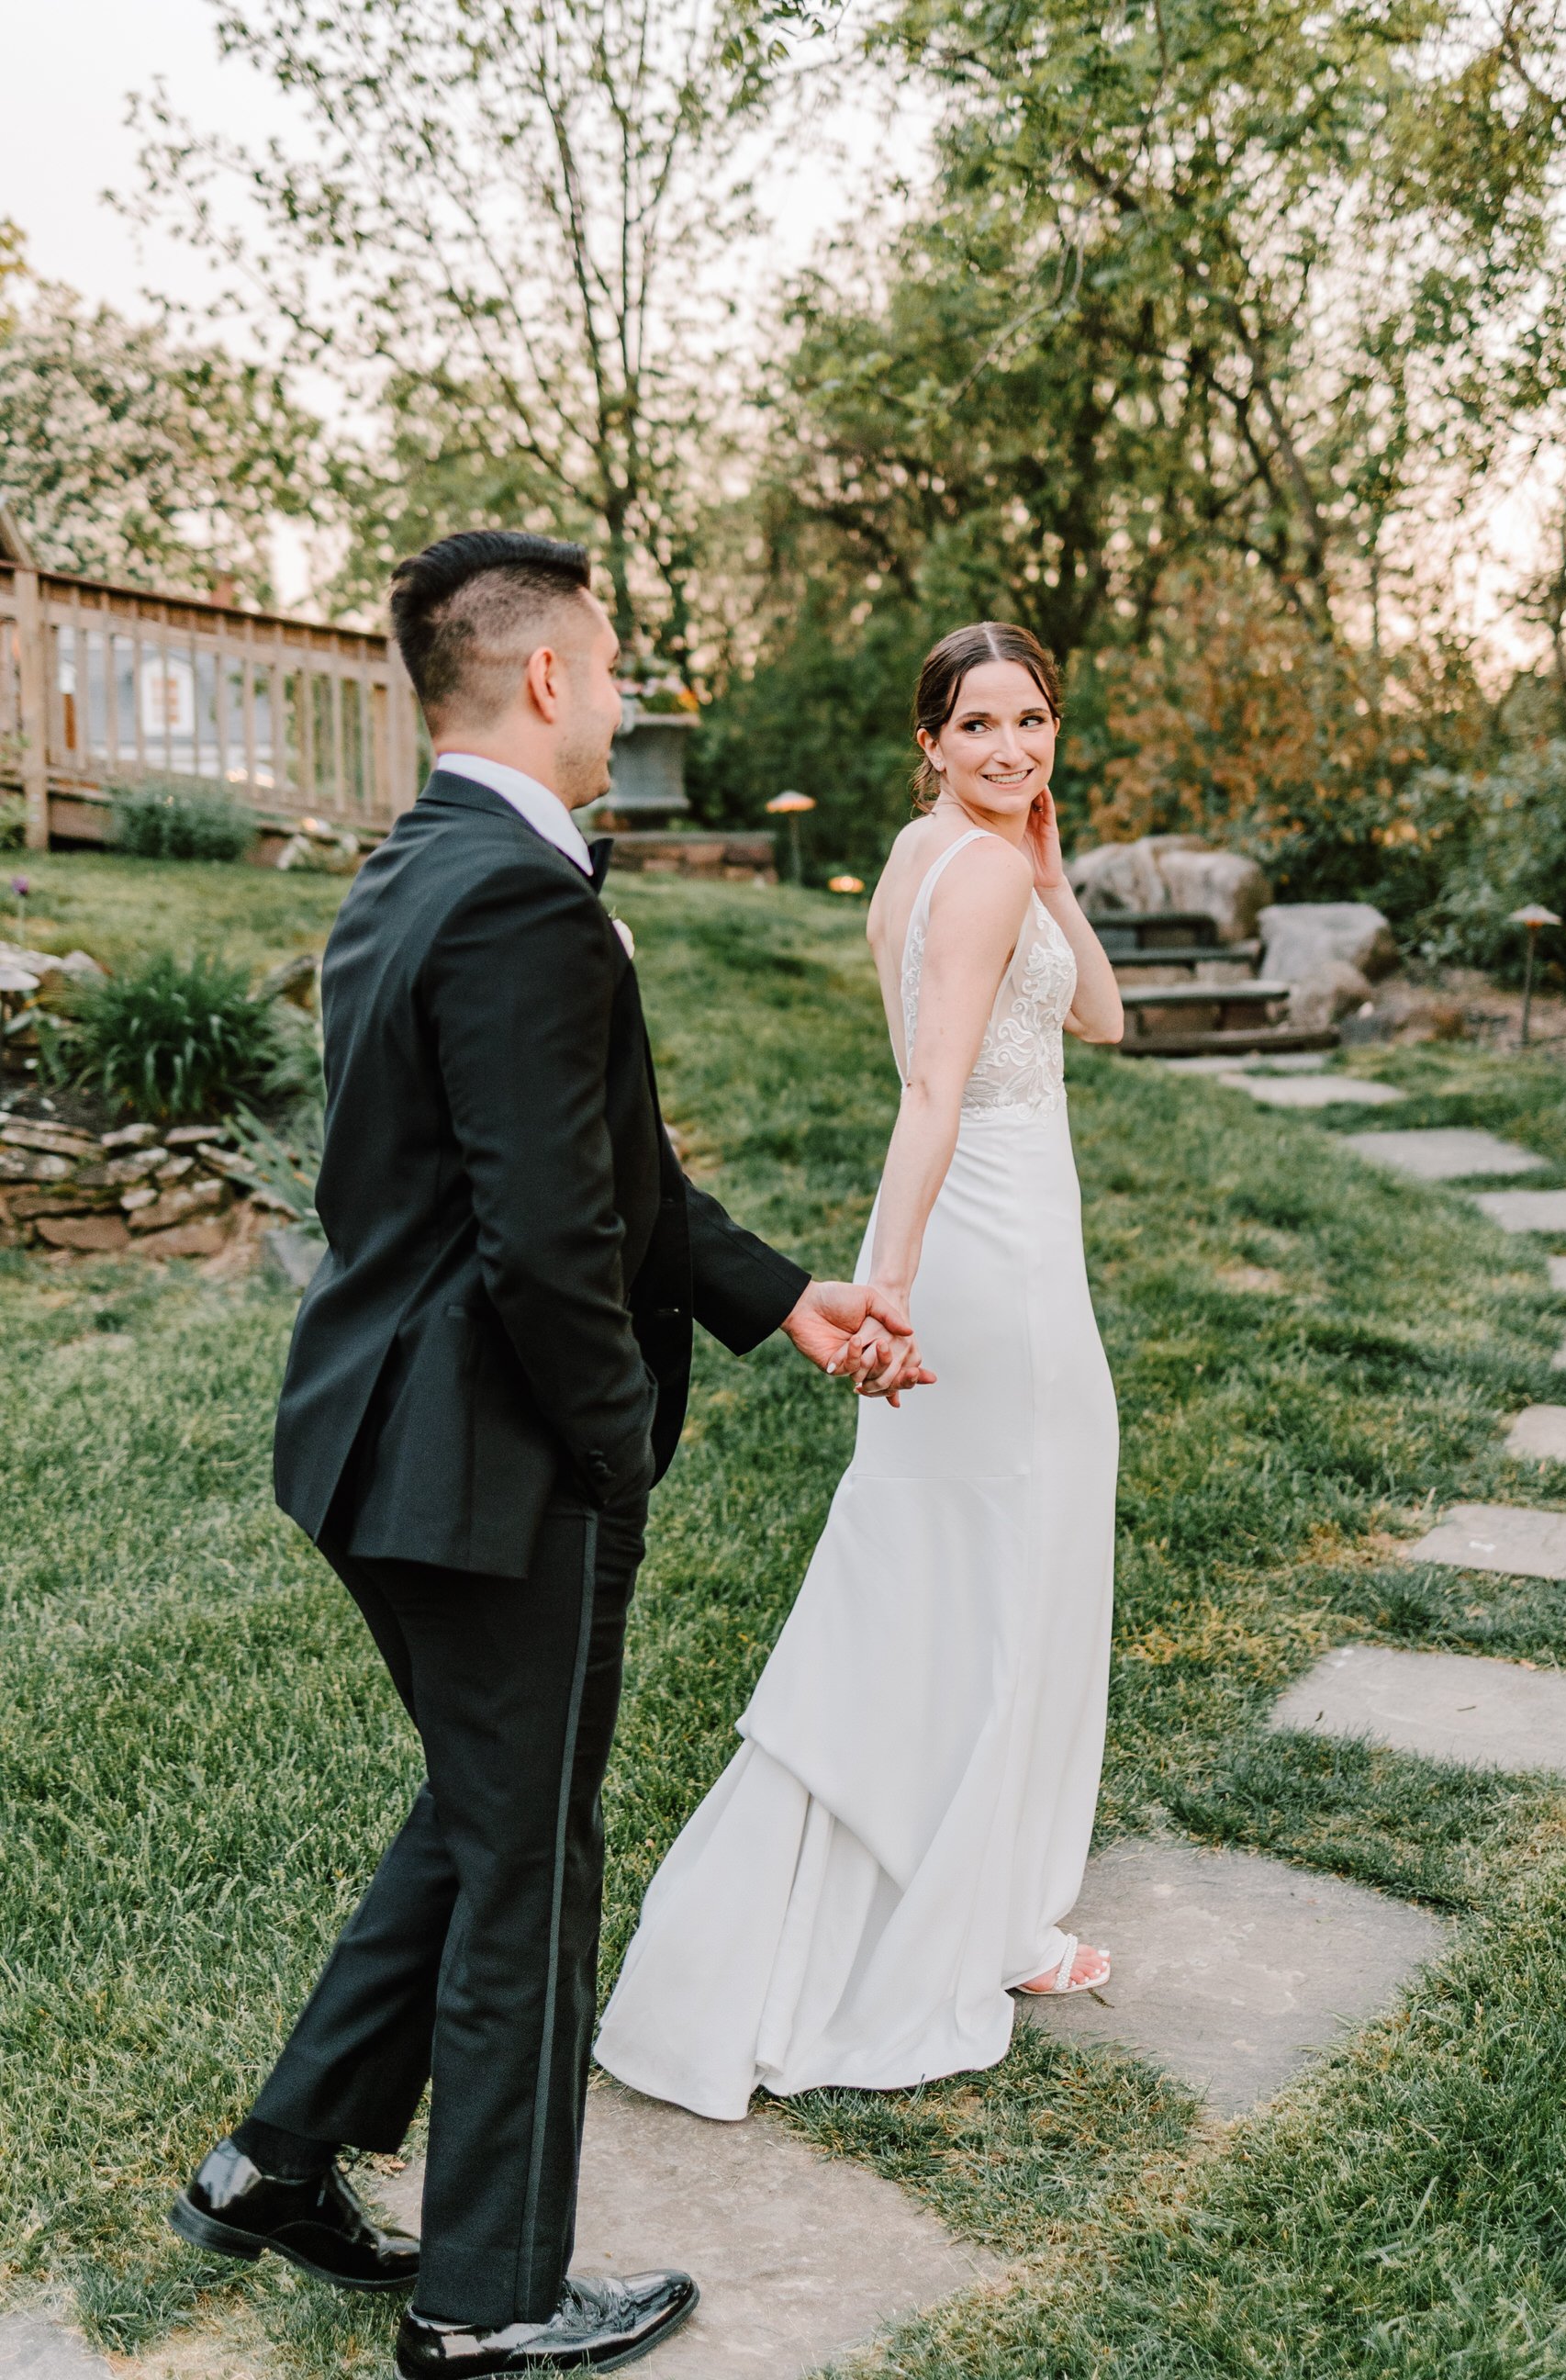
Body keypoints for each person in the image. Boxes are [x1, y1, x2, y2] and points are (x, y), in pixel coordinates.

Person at [166, 530, 929, 2378]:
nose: (623, 688)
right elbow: (543, 1244)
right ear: (543, 680)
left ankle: (271, 2165)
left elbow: (608, 1172)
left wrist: (779, 1297)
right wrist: (613, 1458)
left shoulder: (422, 866)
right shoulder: (518, 896)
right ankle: (484, 2300)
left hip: (379, 1440)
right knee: (529, 1864)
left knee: (483, 1811)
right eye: (611, 658)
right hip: (488, 1467)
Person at [595, 620, 1124, 2120]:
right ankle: (974, 1920)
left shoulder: (934, 853)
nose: (1011, 750)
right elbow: (934, 1090)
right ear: (931, 743)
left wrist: (1054, 863)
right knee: (1003, 1567)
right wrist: (885, 1282)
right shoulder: (972, 871)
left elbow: (1106, 1014)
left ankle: (978, 1897)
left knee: (960, 1564)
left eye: (1033, 721)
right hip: (994, 1250)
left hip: (1004, 1233)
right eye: (979, 729)